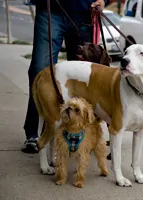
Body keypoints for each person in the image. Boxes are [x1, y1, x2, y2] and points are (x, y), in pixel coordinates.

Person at [22, 0, 110, 153]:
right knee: (39, 69)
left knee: (83, 75)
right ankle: (35, 134)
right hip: (51, 10)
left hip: (84, 12)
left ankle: (82, 133)